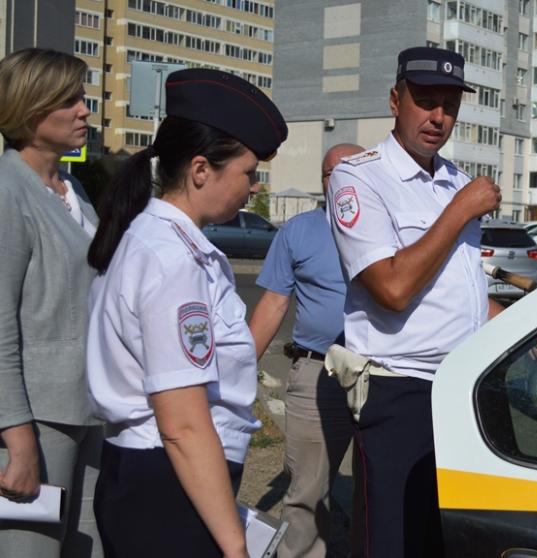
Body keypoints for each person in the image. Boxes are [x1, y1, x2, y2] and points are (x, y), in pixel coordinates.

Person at [86, 68, 287, 557]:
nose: (252, 186)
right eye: (247, 171)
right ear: (201, 170)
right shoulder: (171, 257)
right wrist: (234, 546)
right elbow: (184, 424)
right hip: (168, 482)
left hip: (163, 477)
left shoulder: (162, 242)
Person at [327, 46, 507, 558]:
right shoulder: (360, 178)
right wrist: (460, 210)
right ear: (394, 100)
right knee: (390, 540)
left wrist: (514, 328)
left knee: (443, 539)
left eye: (449, 105)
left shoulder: (452, 178)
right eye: (425, 101)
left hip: (461, 388)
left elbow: (458, 285)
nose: (438, 118)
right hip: (399, 390)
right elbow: (392, 287)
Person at [0, 48, 103, 558]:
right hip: (37, 422)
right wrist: (17, 440)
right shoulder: (7, 193)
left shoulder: (72, 189)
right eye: (70, 100)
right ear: (30, 107)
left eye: (82, 97)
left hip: (87, 410)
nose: (85, 110)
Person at [247, 143, 363, 558]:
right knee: (308, 492)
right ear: (324, 181)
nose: (347, 178)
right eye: (336, 172)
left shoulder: (395, 227)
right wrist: (237, 373)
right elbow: (273, 304)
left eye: (357, 169)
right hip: (319, 374)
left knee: (384, 490)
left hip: (385, 375)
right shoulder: (299, 231)